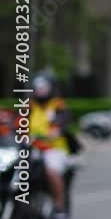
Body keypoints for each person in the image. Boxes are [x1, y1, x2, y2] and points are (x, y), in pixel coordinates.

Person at [28, 74, 73, 219]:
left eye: (43, 88)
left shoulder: (57, 104)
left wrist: (57, 129)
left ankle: (59, 208)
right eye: (38, 88)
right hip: (31, 148)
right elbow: (17, 121)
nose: (40, 91)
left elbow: (65, 119)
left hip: (54, 149)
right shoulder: (30, 105)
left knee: (51, 171)